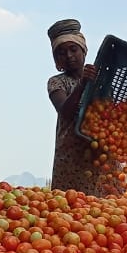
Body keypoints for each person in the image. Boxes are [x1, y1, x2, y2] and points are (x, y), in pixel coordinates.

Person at [46, 19, 102, 196]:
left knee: (107, 211)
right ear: (57, 59)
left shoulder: (100, 78)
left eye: (73, 49)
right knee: (70, 209)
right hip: (71, 162)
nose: (69, 55)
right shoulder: (56, 82)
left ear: (84, 50)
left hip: (100, 157)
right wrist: (83, 84)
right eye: (61, 53)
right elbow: (65, 112)